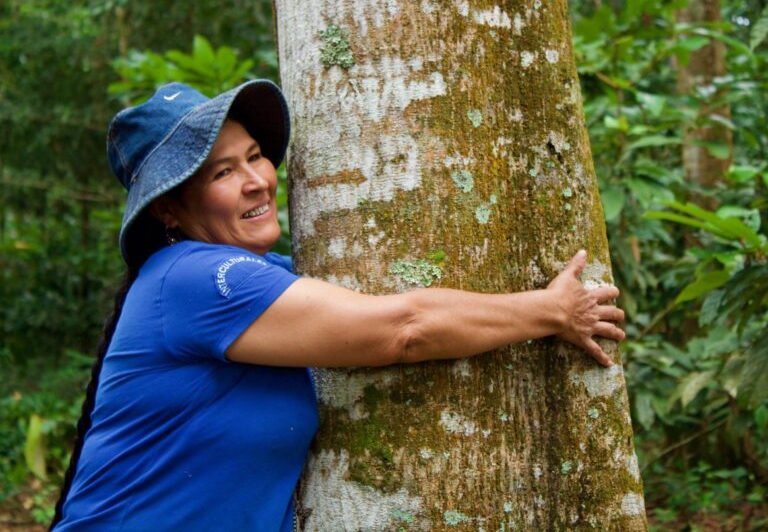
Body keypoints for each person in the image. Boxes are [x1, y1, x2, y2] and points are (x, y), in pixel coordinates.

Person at [50, 80, 625, 531]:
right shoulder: (195, 278)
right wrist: (552, 310)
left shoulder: (259, 280)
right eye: (223, 172)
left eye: (255, 156)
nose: (257, 180)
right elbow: (403, 329)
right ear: (168, 210)